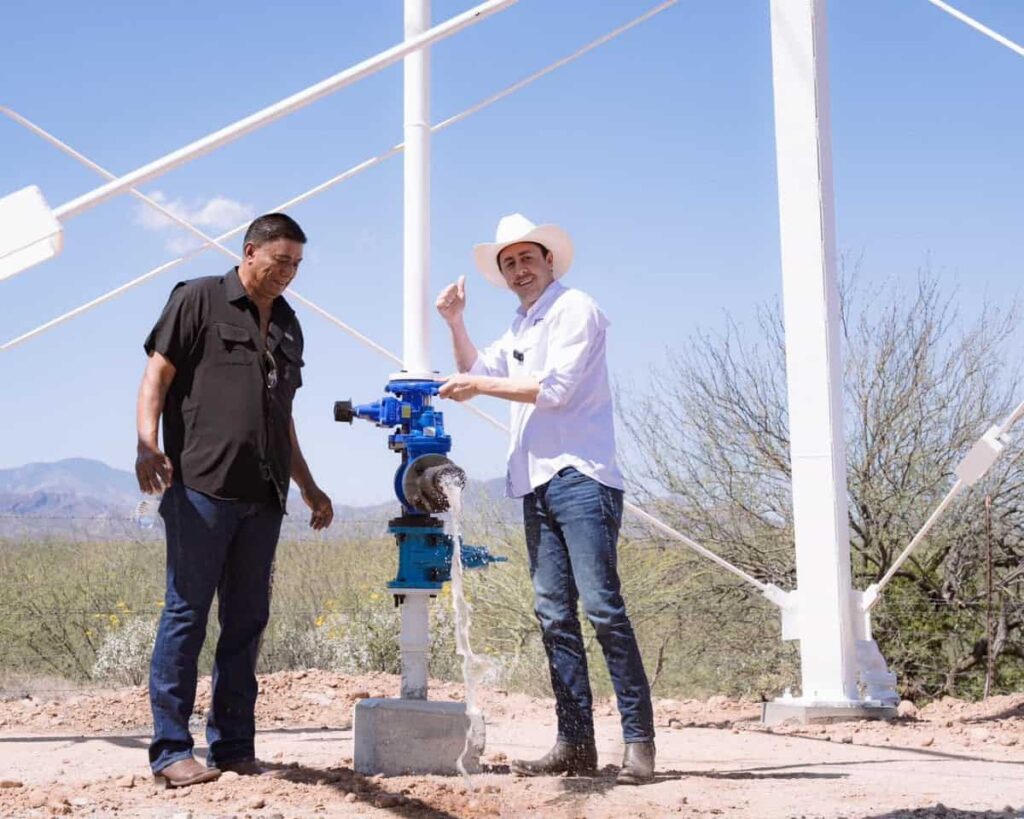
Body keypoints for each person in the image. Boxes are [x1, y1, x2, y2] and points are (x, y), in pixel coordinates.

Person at [436, 213, 655, 784]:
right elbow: (476, 369)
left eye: (526, 258)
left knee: (603, 609)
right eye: (508, 263)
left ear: (548, 261)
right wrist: (457, 322)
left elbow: (553, 390)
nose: (518, 269)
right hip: (535, 483)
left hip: (582, 478)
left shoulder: (575, 308)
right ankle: (576, 743)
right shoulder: (521, 326)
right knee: (554, 614)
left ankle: (639, 743)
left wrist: (480, 385)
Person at [135, 213, 334, 788]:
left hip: (264, 497)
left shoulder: (290, 325)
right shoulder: (198, 299)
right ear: (250, 252)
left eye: (296, 264)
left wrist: (308, 484)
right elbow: (157, 375)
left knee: (247, 622)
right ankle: (172, 751)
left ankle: (234, 748)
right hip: (200, 488)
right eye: (280, 261)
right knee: (186, 615)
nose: (288, 274)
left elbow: (283, 416)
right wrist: (147, 444)